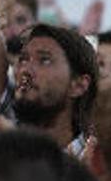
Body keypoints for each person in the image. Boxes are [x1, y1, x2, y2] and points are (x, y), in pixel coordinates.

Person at [10, 24, 97, 156]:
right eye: (24, 59)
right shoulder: (1, 146)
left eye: (44, 60)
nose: (25, 70)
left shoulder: (97, 163)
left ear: (78, 86)